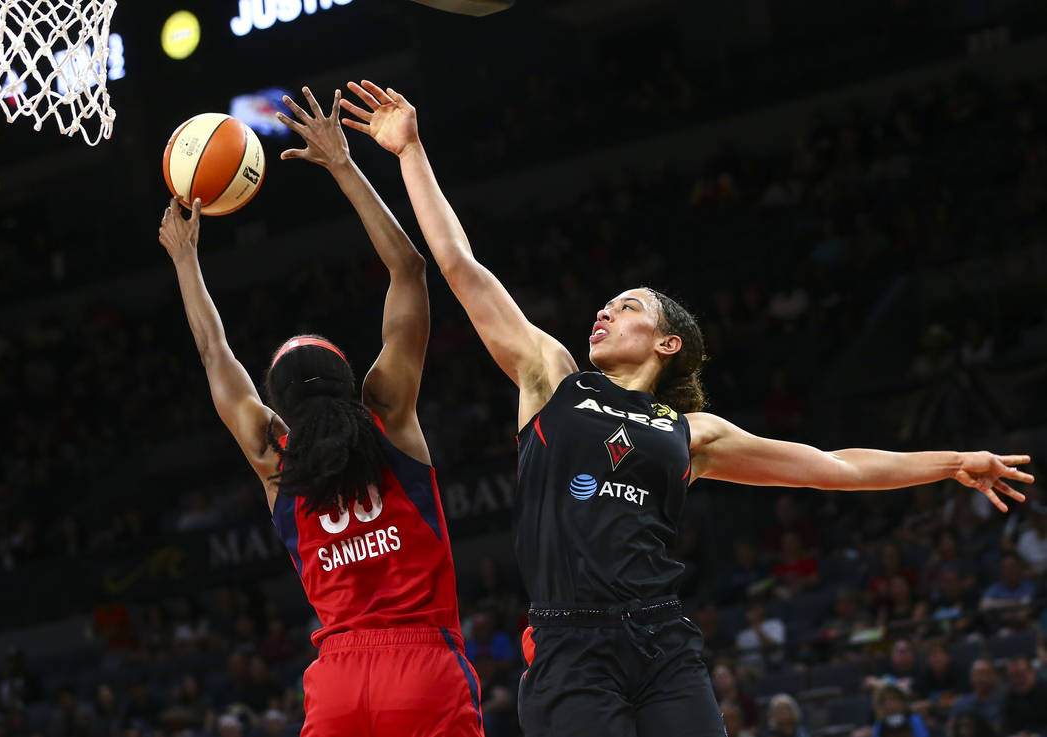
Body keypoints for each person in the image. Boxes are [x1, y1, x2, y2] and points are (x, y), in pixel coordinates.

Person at [338, 79, 1035, 737]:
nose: (605, 310)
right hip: (568, 644)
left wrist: (952, 462)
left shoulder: (691, 432)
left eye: (628, 305)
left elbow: (834, 468)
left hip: (661, 640)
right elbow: (460, 266)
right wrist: (411, 151)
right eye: (607, 304)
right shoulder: (552, 377)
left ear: (668, 342)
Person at [160, 86, 482, 737]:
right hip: (421, 664)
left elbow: (213, 352)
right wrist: (343, 163)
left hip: (337, 684)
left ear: (278, 406)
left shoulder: (272, 455)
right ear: (351, 380)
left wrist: (186, 261)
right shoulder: (387, 416)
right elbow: (409, 271)